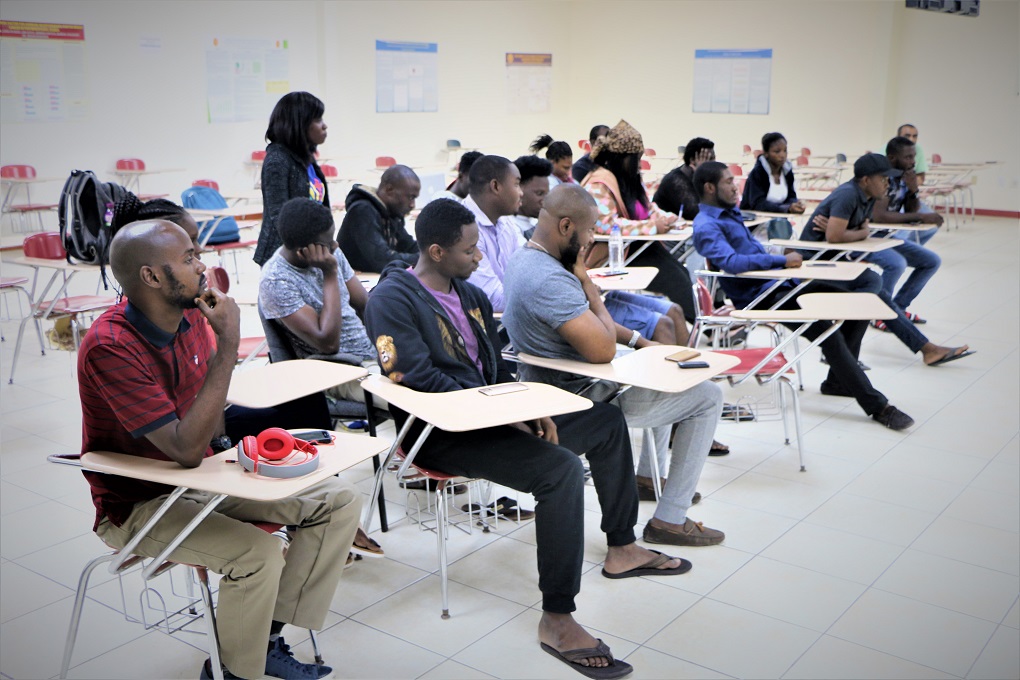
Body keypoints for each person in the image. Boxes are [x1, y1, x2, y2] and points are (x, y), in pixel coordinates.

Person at [364, 198, 691, 679]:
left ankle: (622, 547)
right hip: (441, 431)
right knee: (558, 471)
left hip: (493, 418)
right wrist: (506, 416)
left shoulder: (470, 296)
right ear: (435, 251)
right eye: (470, 250)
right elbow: (417, 377)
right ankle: (557, 618)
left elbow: (496, 369)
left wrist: (529, 410)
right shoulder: (391, 300)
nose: (480, 257)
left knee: (603, 421)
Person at [79, 220, 359, 680]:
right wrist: (228, 342)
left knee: (338, 501)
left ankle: (258, 640)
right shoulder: (110, 347)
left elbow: (210, 418)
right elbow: (184, 450)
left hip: (201, 477)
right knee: (258, 555)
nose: (201, 265)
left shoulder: (192, 316)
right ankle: (234, 670)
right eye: (188, 258)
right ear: (151, 277)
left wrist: (233, 455)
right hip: (137, 502)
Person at [504, 185, 726, 542]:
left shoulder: (525, 258)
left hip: (565, 382)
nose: (593, 238)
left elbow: (588, 326)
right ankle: (670, 519)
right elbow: (602, 348)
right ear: (565, 227)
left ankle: (646, 478)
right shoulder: (550, 279)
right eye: (591, 229)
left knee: (665, 372)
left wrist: (640, 341)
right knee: (707, 396)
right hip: (580, 398)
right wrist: (591, 289)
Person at [690, 161, 916, 431]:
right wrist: (779, 262)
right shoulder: (706, 225)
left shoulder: (729, 214)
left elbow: (751, 251)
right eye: (728, 181)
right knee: (829, 334)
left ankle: (838, 380)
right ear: (709, 187)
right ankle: (878, 406)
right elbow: (733, 262)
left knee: (860, 305)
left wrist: (780, 259)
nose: (735, 185)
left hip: (779, 285)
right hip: (760, 297)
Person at [800, 154, 972, 367]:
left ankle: (926, 350)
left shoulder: (866, 196)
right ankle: (840, 354)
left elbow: (856, 229)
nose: (887, 183)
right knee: (873, 289)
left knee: (875, 291)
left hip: (836, 264)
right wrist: (859, 232)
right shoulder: (847, 195)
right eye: (882, 178)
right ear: (865, 180)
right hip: (813, 266)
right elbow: (836, 236)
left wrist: (856, 231)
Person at [581, 120, 697, 323]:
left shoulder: (631, 180)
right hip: (618, 253)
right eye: (636, 159)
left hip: (642, 247)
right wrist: (653, 226)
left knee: (683, 274)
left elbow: (648, 208)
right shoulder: (599, 183)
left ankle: (696, 323)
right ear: (622, 158)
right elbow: (607, 225)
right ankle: (698, 325)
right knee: (677, 281)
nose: (639, 164)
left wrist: (667, 219)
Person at [866, 136, 944, 325]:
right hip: (866, 236)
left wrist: (913, 191)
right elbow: (880, 216)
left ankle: (897, 311)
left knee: (931, 261)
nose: (912, 162)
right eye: (908, 157)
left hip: (888, 236)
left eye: (913, 157)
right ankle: (879, 314)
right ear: (892, 158)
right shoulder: (883, 178)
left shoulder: (904, 177)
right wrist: (922, 217)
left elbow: (910, 211)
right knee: (897, 264)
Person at [254, 91, 330, 267]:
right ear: (299, 123)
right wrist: (304, 251)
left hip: (310, 250)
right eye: (318, 120)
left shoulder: (306, 157)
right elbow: (279, 216)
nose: (324, 126)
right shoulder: (277, 160)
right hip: (285, 256)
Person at [462, 155, 523, 312]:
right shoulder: (464, 228)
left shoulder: (505, 221)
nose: (521, 193)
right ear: (496, 186)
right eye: (516, 185)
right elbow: (495, 300)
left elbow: (530, 263)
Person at [337, 165, 420, 273]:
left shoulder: (390, 212)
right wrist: (424, 259)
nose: (412, 205)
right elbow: (382, 260)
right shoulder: (362, 210)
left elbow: (409, 246)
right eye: (410, 197)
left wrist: (430, 253)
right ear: (389, 190)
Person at [740, 132, 806, 215]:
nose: (782, 155)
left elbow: (791, 196)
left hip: (780, 219)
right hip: (756, 220)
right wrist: (785, 208)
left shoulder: (787, 172)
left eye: (785, 150)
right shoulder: (757, 173)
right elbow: (758, 204)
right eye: (777, 151)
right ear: (766, 153)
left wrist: (794, 205)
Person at [652, 137, 716, 221]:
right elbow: (697, 213)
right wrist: (701, 176)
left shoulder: (705, 179)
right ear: (692, 160)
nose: (714, 163)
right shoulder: (674, 180)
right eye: (709, 159)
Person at [508, 154, 553, 243]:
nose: (545, 201)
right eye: (539, 193)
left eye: (547, 194)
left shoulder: (535, 222)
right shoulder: (510, 228)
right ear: (518, 189)